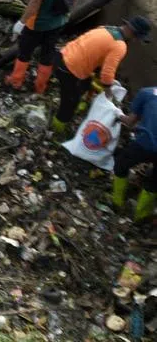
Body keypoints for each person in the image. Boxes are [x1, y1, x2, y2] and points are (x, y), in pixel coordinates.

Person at [5, 0, 81, 94]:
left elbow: (34, 4)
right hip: (58, 22)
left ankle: (16, 80)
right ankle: (40, 86)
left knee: (25, 52)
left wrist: (21, 22)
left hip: (38, 24)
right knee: (47, 54)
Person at [53, 17, 151, 134]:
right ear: (132, 32)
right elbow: (107, 73)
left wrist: (106, 80)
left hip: (63, 54)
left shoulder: (107, 28)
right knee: (69, 103)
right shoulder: (120, 46)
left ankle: (81, 104)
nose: (135, 40)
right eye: (136, 37)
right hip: (68, 69)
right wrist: (109, 93)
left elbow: (98, 54)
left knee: (86, 82)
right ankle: (57, 129)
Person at [112, 84, 157, 221]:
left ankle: (117, 203)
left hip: (145, 144)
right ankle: (141, 216)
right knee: (154, 182)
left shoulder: (147, 93)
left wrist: (118, 114)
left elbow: (130, 122)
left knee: (121, 164)